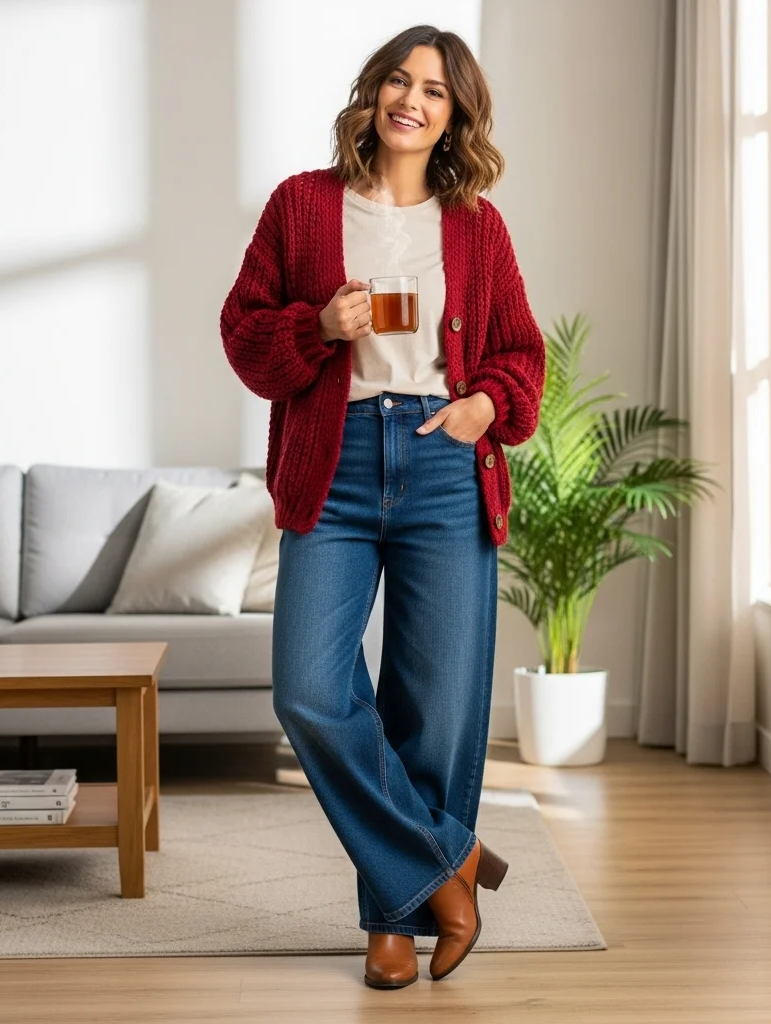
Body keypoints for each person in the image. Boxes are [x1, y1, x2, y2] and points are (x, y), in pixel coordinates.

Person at [221, 24, 545, 989]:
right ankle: (448, 859)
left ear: (455, 117)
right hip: (337, 461)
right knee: (310, 690)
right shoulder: (302, 206)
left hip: (446, 459)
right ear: (372, 94)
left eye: (435, 91)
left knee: (436, 707)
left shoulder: (477, 225)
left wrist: (486, 404)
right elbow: (243, 339)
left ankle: (393, 925)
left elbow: (522, 353)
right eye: (399, 81)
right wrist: (318, 324)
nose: (412, 99)